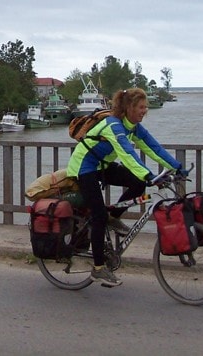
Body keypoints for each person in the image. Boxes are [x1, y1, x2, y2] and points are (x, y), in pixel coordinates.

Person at [66, 87, 186, 287]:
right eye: (140, 106)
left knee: (137, 183)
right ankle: (98, 269)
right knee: (99, 216)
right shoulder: (113, 125)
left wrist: (177, 168)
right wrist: (150, 176)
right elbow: (127, 154)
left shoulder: (134, 127)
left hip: (102, 166)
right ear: (129, 107)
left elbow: (154, 148)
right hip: (84, 168)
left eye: (146, 106)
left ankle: (114, 217)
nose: (144, 110)